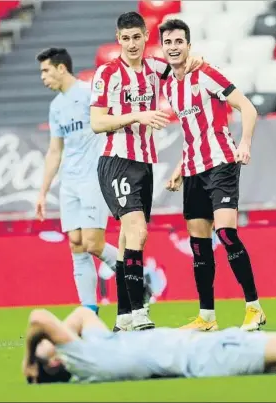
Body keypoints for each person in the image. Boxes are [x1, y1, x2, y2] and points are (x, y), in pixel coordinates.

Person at [90, 12, 203, 331]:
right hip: (116, 160)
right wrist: (137, 115)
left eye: (136, 37)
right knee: (138, 230)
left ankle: (124, 317)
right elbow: (98, 122)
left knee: (129, 240)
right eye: (124, 39)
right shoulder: (108, 73)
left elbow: (183, 66)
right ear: (118, 39)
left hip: (144, 163)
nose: (131, 44)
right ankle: (139, 310)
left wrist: (196, 59)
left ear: (145, 36)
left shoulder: (156, 68)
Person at [159, 19, 265, 331]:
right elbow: (192, 133)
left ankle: (254, 308)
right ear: (163, 47)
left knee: (226, 234)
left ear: (188, 45)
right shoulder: (170, 86)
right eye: (169, 42)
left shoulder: (206, 74)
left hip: (221, 162)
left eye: (179, 41)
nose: (174, 47)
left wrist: (244, 143)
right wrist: (180, 168)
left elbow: (247, 107)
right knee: (198, 245)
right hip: (193, 169)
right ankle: (207, 318)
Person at [22, 306, 276, 384]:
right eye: (49, 350)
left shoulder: (101, 347)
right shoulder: (88, 359)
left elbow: (82, 314)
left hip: (211, 347)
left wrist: (44, 353)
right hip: (206, 356)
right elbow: (40, 318)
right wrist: (29, 358)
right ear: (56, 360)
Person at [35, 47, 118, 315]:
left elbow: (110, 122)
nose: (43, 77)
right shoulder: (55, 106)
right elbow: (55, 150)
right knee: (76, 244)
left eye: (46, 70)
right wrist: (42, 191)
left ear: (61, 68)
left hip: (93, 176)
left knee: (93, 242)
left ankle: (136, 274)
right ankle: (89, 312)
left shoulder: (88, 93)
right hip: (69, 181)